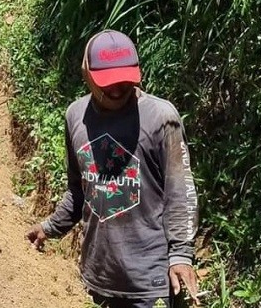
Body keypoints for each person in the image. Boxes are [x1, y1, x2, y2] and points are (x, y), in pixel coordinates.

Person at [25, 30, 200, 308]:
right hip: (98, 277)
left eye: (124, 81)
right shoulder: (76, 116)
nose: (117, 89)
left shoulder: (160, 117)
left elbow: (180, 192)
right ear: (87, 73)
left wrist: (180, 255)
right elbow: (78, 190)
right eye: (108, 82)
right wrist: (50, 227)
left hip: (150, 283)